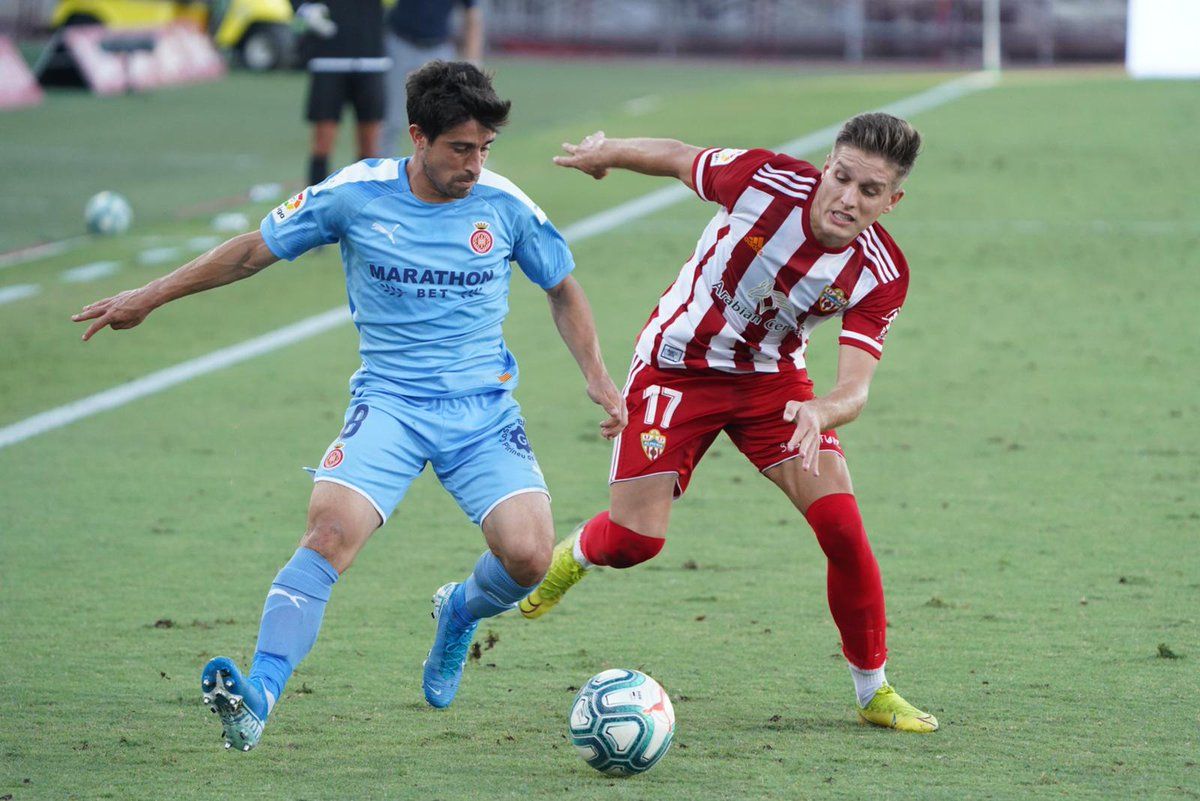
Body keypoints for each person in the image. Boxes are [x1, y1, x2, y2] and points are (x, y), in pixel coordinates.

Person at [71, 61, 626, 751]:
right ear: (418, 137)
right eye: (460, 148)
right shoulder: (355, 195)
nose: (475, 164)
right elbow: (251, 252)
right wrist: (145, 297)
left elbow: (563, 286)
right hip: (389, 405)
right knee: (328, 535)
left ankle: (457, 611)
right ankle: (259, 697)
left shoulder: (507, 205)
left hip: (481, 413)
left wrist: (598, 375)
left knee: (528, 558)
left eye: (485, 148)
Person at [519, 114, 940, 732]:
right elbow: (677, 154)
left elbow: (855, 389)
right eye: (842, 177)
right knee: (636, 542)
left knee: (843, 529)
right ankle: (577, 553)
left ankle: (873, 690)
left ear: (892, 201)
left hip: (773, 383)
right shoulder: (764, 181)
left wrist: (820, 409)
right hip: (677, 365)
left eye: (869, 191)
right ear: (827, 164)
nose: (847, 198)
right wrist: (608, 151)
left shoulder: (881, 272)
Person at [293, 0, 390, 186]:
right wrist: (306, 9)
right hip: (328, 58)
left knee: (370, 144)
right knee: (323, 139)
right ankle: (316, 205)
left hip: (370, 56)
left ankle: (364, 206)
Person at [381, 0, 484, 156]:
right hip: (399, 43)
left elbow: (472, 14)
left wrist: (472, 61)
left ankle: (434, 171)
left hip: (439, 49)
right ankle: (383, 173)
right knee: (391, 118)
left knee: (439, 118)